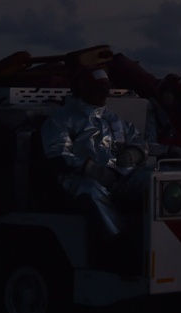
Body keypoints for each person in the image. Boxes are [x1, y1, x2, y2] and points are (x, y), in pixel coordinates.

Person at [39, 66, 155, 271]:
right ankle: (119, 246)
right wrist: (90, 169)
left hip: (117, 175)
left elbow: (139, 140)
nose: (105, 93)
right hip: (79, 177)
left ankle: (158, 238)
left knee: (152, 180)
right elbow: (57, 154)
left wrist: (134, 153)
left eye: (106, 87)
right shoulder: (63, 118)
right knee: (92, 192)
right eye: (98, 88)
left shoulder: (113, 119)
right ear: (82, 89)